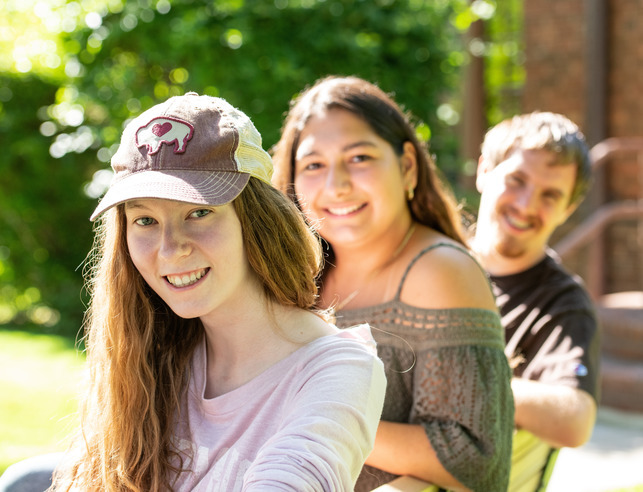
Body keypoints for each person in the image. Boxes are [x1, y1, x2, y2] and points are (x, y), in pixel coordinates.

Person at [0, 93, 386, 492]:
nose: (170, 248)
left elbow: (298, 474)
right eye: (145, 220)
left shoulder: (339, 371)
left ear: (256, 220)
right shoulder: (156, 346)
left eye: (199, 212)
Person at [272, 75, 514, 492]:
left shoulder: (438, 271)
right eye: (313, 165)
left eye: (359, 157)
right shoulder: (296, 278)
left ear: (406, 166)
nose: (336, 184)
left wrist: (311, 418)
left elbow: (474, 457)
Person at [470, 112, 601, 490]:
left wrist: (461, 378)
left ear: (568, 210)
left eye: (550, 195)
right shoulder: (426, 259)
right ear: (484, 171)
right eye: (517, 180)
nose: (527, 205)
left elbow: (575, 420)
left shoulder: (564, 304)